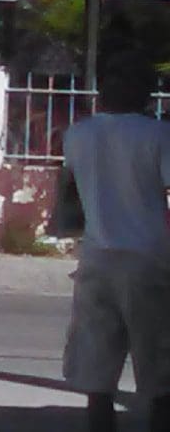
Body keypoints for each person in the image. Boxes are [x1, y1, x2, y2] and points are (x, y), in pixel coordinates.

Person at [61, 50, 170, 432]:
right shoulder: (159, 135)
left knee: (97, 373)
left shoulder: (77, 134)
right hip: (149, 259)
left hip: (96, 258)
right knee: (160, 372)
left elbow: (69, 202)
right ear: (145, 91)